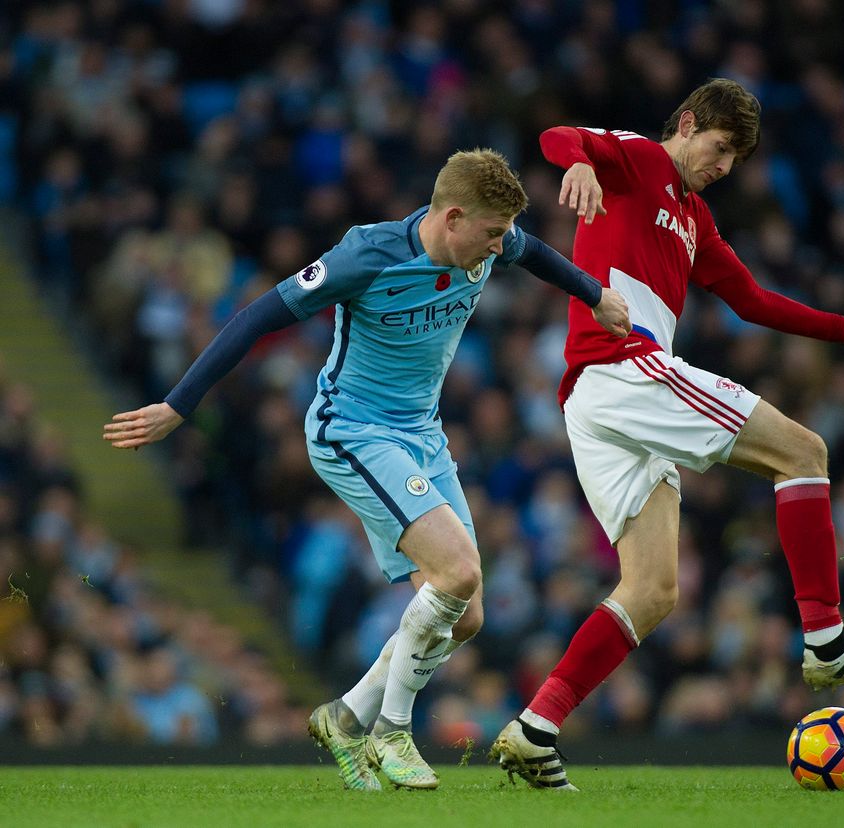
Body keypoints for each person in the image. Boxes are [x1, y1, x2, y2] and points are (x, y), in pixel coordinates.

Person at [103, 149, 630, 792]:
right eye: (491, 233)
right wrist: (177, 406)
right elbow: (254, 318)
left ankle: (345, 715)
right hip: (352, 428)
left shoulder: (490, 241)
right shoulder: (366, 257)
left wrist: (595, 294)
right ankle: (393, 734)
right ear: (453, 216)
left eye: (503, 235)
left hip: (421, 435)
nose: (500, 247)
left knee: (465, 616)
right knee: (457, 570)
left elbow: (537, 253)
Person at [490, 80, 844, 791]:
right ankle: (826, 638)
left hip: (599, 398)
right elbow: (558, 135)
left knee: (654, 589)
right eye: (719, 149)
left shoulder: (695, 218)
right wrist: (579, 164)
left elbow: (751, 301)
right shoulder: (640, 160)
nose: (721, 167)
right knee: (804, 451)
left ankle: (536, 727)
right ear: (686, 125)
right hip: (622, 368)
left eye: (734, 161)